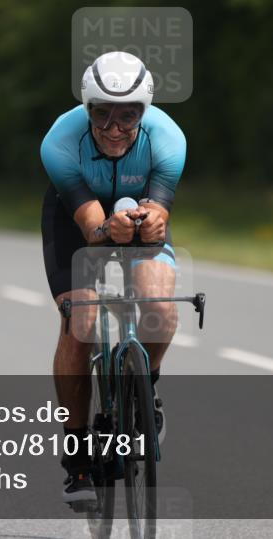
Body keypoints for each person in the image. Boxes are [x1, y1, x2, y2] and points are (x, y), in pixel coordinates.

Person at [40, 51, 186, 505]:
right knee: (80, 325)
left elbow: (159, 210)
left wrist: (154, 221)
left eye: (128, 115)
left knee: (160, 309)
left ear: (145, 112)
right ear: (86, 109)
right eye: (101, 113)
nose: (114, 127)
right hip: (76, 222)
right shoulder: (59, 143)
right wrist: (105, 230)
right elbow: (90, 226)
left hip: (137, 215)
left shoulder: (169, 139)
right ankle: (78, 452)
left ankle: (147, 389)